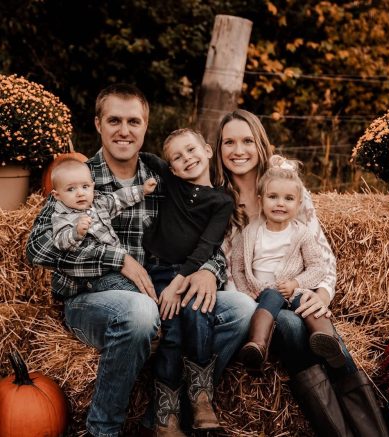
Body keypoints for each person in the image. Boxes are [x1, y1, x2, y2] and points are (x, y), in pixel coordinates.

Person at [26, 84, 252, 437]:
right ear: (98, 124)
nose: (124, 130)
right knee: (140, 312)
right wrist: (116, 260)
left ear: (145, 127)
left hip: (164, 290)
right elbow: (37, 250)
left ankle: (168, 408)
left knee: (240, 310)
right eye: (114, 120)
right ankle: (105, 429)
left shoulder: (162, 176)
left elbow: (206, 234)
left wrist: (209, 270)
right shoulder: (78, 178)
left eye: (134, 121)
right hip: (92, 300)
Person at [211, 109, 389, 437]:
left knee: (318, 330)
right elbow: (226, 271)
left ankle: (374, 431)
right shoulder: (218, 202)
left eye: (247, 140)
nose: (238, 150)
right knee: (292, 327)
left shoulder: (288, 189)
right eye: (229, 142)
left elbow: (322, 257)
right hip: (254, 308)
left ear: (260, 143)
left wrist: (320, 295)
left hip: (298, 293)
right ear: (218, 149)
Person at [140, 128, 234, 432]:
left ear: (207, 150)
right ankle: (165, 418)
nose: (186, 159)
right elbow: (148, 156)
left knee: (197, 313)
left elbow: (207, 246)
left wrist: (178, 284)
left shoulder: (222, 201)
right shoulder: (173, 184)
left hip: (192, 273)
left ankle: (201, 397)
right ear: (173, 167)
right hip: (158, 272)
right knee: (172, 334)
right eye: (177, 158)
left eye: (191, 150)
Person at [231, 154, 346, 375]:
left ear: (299, 203)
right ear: (260, 199)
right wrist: (248, 293)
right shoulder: (249, 233)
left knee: (307, 303)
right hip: (264, 294)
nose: (280, 203)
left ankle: (326, 340)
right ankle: (257, 345)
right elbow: (237, 267)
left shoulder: (302, 233)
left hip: (293, 291)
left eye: (288, 198)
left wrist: (296, 283)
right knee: (271, 297)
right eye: (273, 197)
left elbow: (317, 267)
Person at [50, 157, 157, 294]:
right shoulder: (62, 216)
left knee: (143, 282)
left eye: (85, 187)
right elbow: (60, 241)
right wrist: (75, 233)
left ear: (92, 186)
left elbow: (119, 198)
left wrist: (142, 190)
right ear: (57, 195)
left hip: (113, 267)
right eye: (71, 189)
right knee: (133, 291)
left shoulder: (99, 203)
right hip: (90, 276)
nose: (80, 193)